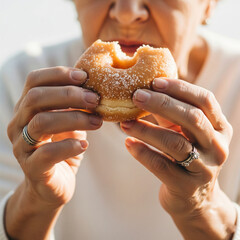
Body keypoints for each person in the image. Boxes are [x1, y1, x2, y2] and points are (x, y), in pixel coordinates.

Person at [1, 0, 240, 239]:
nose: (126, 13)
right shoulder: (25, 86)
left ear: (209, 4)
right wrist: (35, 200)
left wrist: (205, 209)